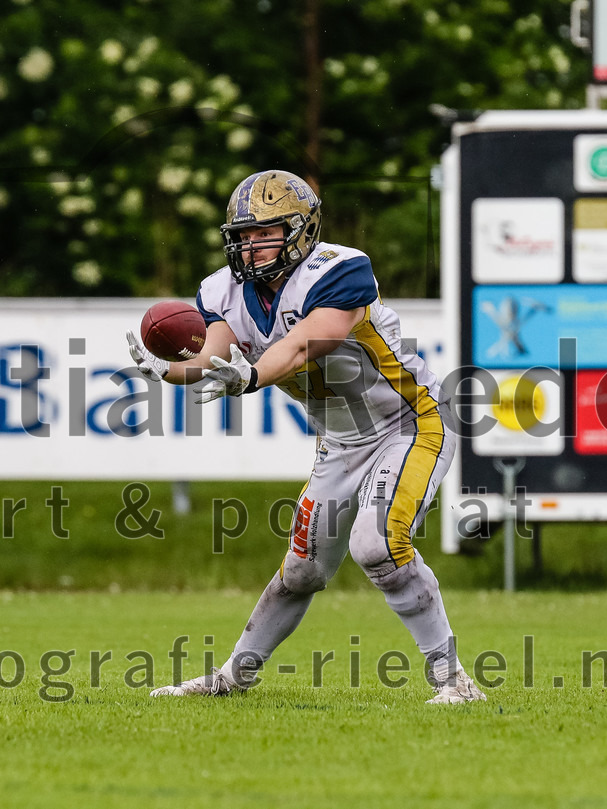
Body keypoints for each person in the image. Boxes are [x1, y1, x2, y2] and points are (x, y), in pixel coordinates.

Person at [126, 169, 485, 704]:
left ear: (302, 230)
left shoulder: (340, 272)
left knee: (378, 544)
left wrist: (247, 377)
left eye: (264, 233)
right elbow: (212, 356)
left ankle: (454, 680)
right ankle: (231, 679)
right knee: (301, 569)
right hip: (340, 442)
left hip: (409, 423)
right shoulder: (222, 291)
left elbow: (300, 346)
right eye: (243, 235)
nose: (250, 246)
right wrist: (170, 370)